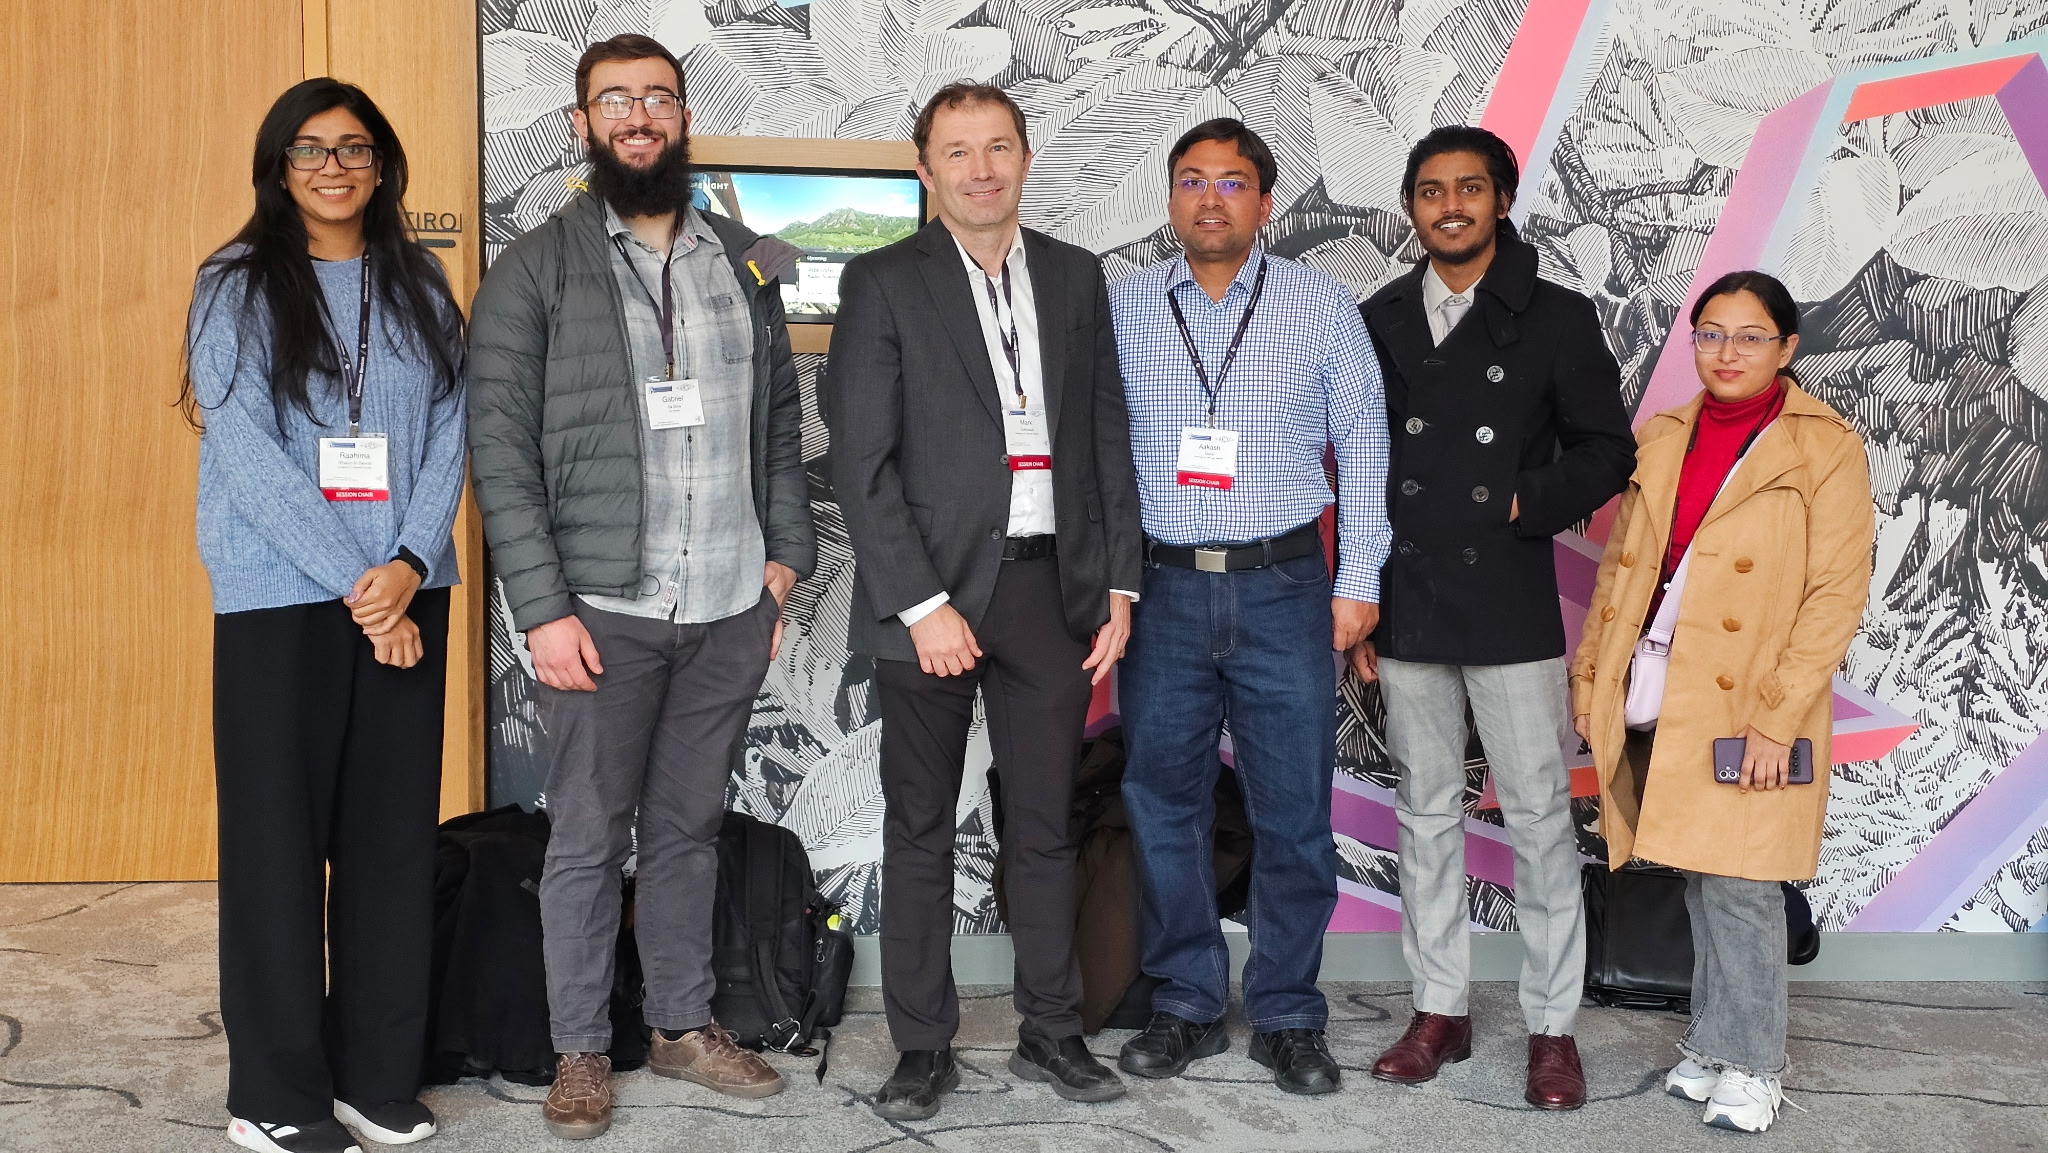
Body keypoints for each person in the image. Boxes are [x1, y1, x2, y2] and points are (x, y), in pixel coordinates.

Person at [465, 33, 817, 1141]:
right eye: (614, 99)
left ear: (682, 117)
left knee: (687, 828)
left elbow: (776, 425)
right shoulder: (533, 270)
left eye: (657, 97)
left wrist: (783, 560)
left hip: (726, 601)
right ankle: (579, 1046)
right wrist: (541, 609)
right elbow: (499, 453)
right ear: (582, 123)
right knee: (584, 836)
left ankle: (679, 1023)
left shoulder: (742, 263)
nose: (638, 115)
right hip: (601, 609)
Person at [824, 82, 1143, 1121]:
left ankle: (1052, 1028)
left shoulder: (1074, 274)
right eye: (957, 152)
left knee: (1043, 825)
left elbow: (1104, 434)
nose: (980, 169)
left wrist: (1119, 582)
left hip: (1053, 591)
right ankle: (922, 1044)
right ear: (926, 171)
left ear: (1025, 158)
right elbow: (860, 461)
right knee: (919, 826)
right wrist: (921, 604)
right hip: (931, 597)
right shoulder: (883, 281)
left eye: (997, 147)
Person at [182, 78, 465, 1153]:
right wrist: (365, 585)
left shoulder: (421, 281)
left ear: (381, 166)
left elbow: (455, 425)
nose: (333, 166)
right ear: (279, 167)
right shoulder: (235, 284)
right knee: (277, 847)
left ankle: (375, 1075)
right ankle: (275, 1093)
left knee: (390, 845)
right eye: (309, 149)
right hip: (282, 597)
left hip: (406, 588)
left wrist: (407, 563)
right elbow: (245, 451)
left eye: (353, 148)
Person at [1351, 125, 1635, 1110]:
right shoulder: (1380, 315)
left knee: (1540, 818)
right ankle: (1440, 1008)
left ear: (1502, 200)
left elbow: (1607, 450)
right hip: (1410, 598)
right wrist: (1357, 597)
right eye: (1431, 191)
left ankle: (1552, 1025)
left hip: (1508, 599)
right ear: (1411, 206)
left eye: (1469, 188)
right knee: (1424, 813)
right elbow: (1355, 458)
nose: (1450, 206)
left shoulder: (1557, 316)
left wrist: (1519, 501)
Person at [1106, 118, 1390, 1095]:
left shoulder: (1319, 304)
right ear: (1170, 198)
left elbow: (1365, 444)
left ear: (1264, 203)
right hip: (1161, 589)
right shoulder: (1124, 305)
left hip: (1284, 588)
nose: (1210, 197)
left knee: (1293, 812)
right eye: (1191, 179)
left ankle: (1286, 1011)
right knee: (1162, 803)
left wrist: (1359, 580)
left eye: (1231, 182)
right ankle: (1185, 999)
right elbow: (1092, 451)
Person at [1571, 270, 1871, 1133]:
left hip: (1751, 700)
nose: (1727, 352)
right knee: (1700, 872)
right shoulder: (1665, 435)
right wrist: (1592, 676)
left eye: (1749, 336)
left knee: (1743, 883)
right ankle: (1712, 1040)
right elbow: (1623, 568)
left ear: (1787, 346)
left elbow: (1835, 594)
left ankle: (1754, 1062)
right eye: (1710, 334)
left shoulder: (1824, 446)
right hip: (1667, 684)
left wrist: (1778, 717)